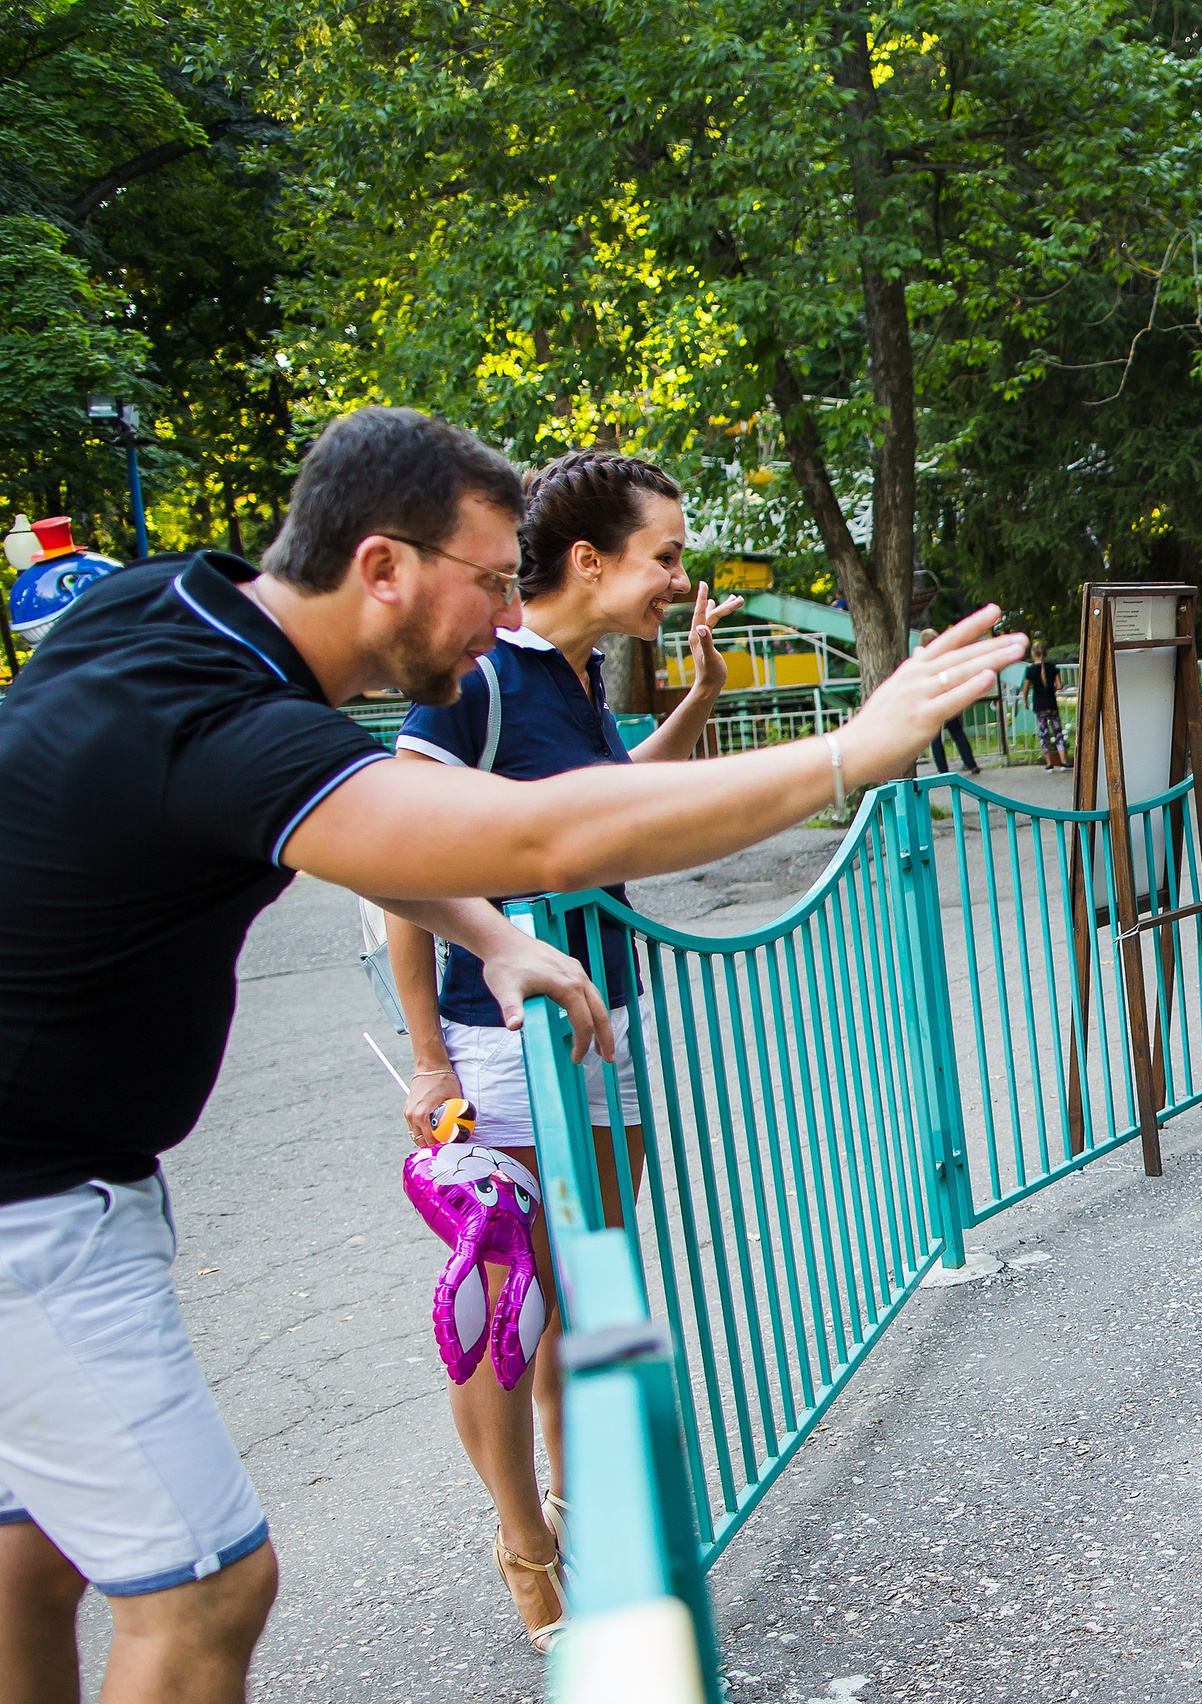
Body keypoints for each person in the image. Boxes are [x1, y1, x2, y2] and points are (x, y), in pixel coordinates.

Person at [0, 405, 1021, 1704]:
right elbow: (537, 836)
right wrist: (846, 753)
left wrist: (495, 939)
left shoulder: (169, 613)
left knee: (34, 1558)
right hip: (34, 1204)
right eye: (488, 582)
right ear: (382, 567)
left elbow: (386, 839)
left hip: (44, 1179)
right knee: (205, 1591)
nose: (503, 614)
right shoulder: (231, 727)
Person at [384, 450, 738, 1650]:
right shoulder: (476, 678)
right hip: (503, 1045)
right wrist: (429, 1057)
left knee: (581, 1298)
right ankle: (524, 1543)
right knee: (508, 1308)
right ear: (591, 561)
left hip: (608, 1026)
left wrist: (690, 700)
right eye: (667, 557)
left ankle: (586, 1515)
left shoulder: (576, 683)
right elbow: (396, 863)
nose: (676, 578)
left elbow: (602, 815)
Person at [917, 626, 982, 776]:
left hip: (933, 702)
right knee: (957, 732)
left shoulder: (923, 662)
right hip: (947, 699)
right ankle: (971, 764)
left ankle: (943, 770)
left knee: (935, 738)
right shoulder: (945, 658)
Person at [1027, 641, 1068, 769]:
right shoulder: (1052, 667)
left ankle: (1049, 763)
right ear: (1046, 653)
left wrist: (1024, 700)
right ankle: (1063, 761)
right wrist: (1052, 689)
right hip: (1052, 704)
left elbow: (1025, 688)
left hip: (1039, 706)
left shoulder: (1030, 670)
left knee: (1044, 733)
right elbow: (1059, 685)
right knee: (1058, 732)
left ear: (1033, 653)